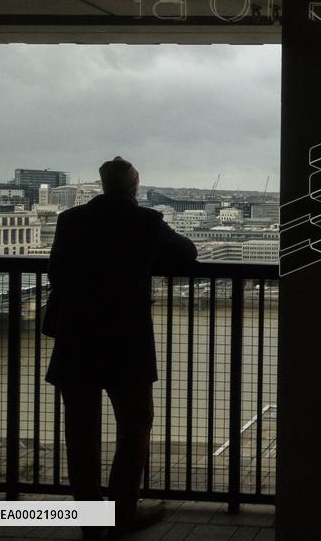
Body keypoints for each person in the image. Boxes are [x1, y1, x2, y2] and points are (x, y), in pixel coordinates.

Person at [45, 157, 197, 539]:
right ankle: (121, 511)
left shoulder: (70, 220)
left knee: (80, 431)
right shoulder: (145, 221)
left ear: (100, 184)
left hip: (76, 337)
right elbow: (186, 253)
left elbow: (57, 273)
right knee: (134, 425)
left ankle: (90, 520)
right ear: (135, 185)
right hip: (125, 340)